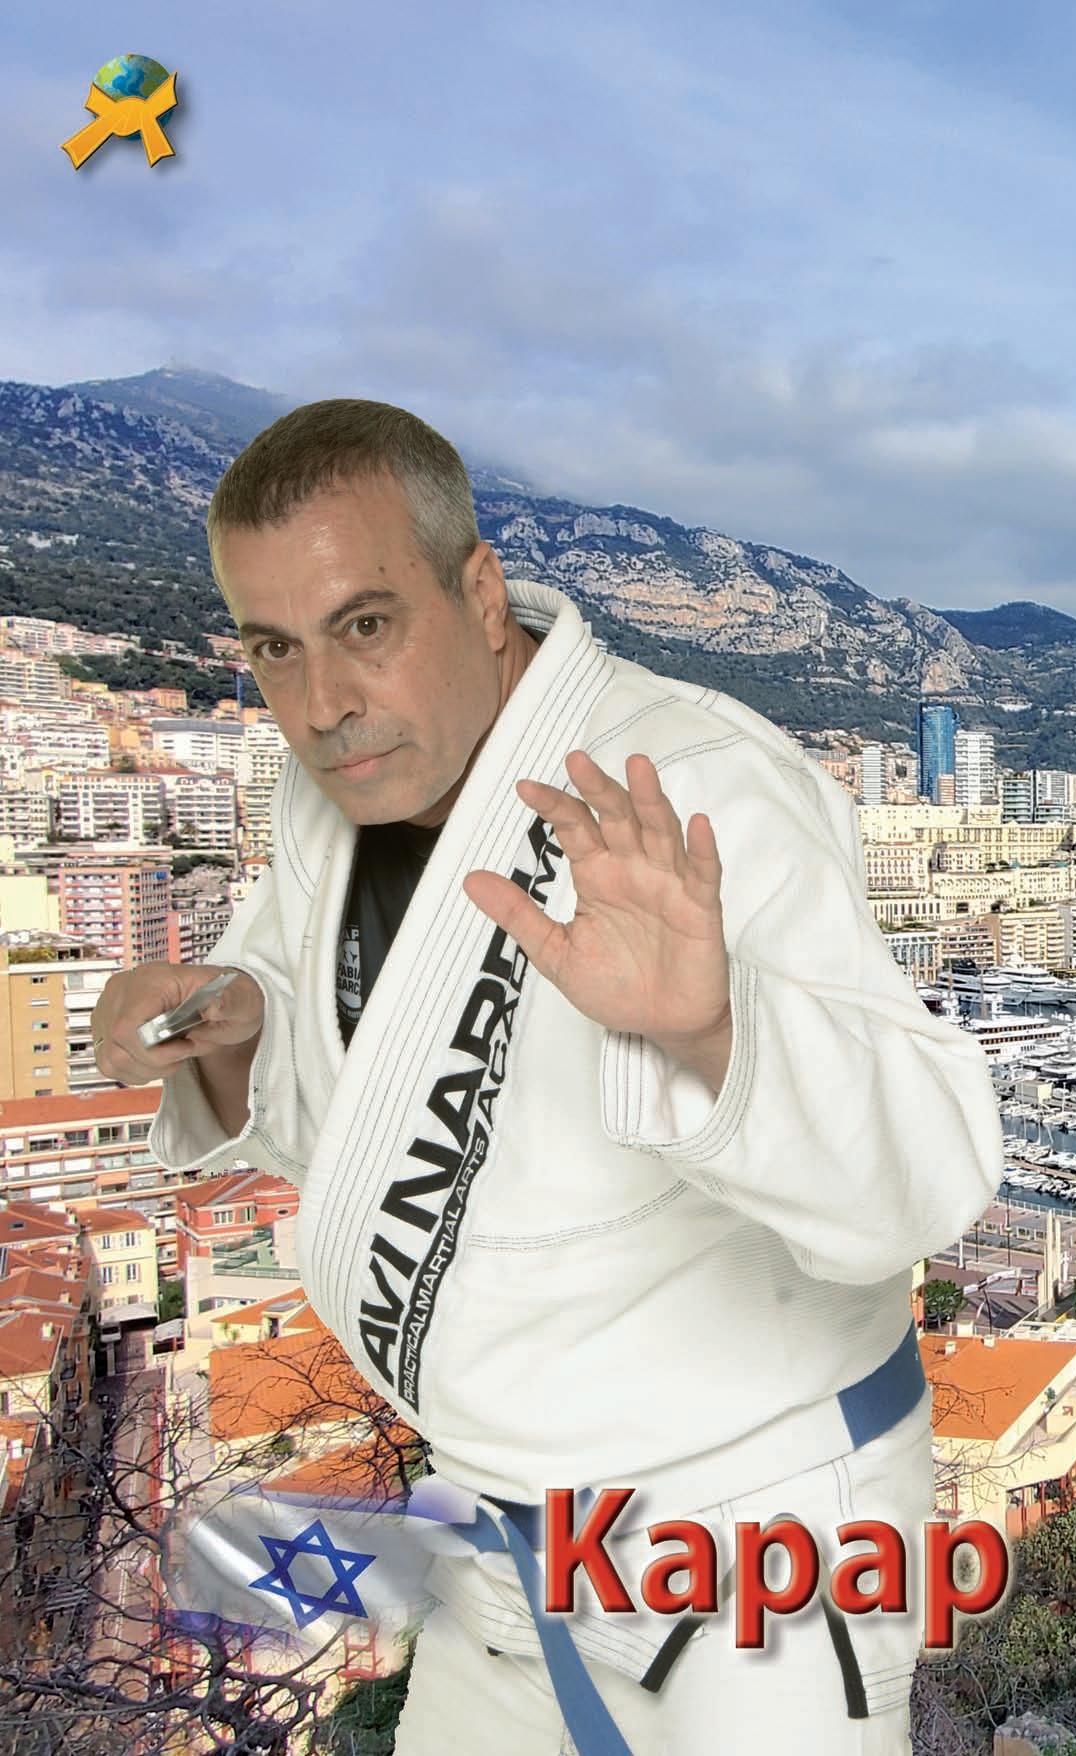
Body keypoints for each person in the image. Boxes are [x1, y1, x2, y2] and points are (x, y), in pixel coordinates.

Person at [93, 399, 1004, 1755]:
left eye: (364, 625)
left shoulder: (688, 784)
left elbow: (927, 1179)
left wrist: (712, 1029)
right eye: (275, 648)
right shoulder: (323, 802)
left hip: (754, 1534)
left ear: (479, 592)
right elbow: (356, 1091)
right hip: (502, 1529)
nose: (322, 705)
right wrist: (229, 1034)